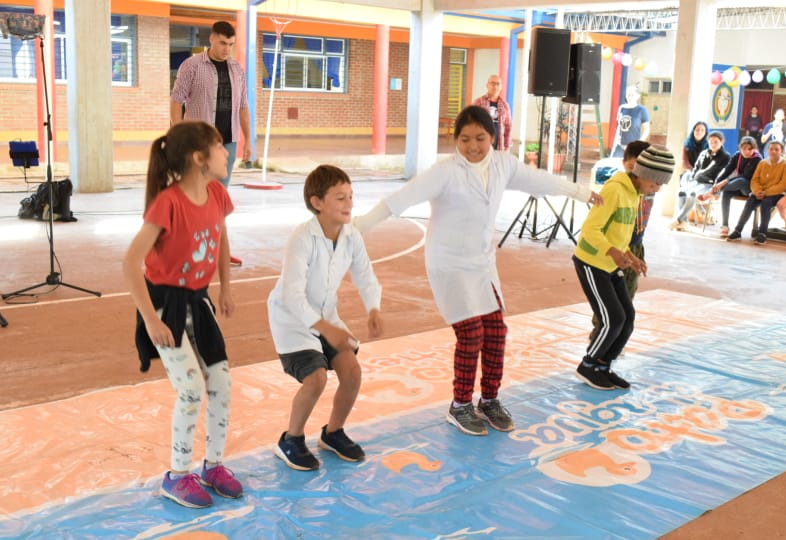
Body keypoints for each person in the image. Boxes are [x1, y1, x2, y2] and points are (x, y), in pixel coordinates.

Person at [354, 105, 603, 436]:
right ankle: (460, 405)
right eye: (465, 139)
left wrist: (581, 192)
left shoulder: (503, 165)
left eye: (480, 138)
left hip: (482, 264)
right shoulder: (445, 171)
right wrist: (360, 226)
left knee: (496, 333)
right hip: (449, 263)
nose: (473, 146)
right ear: (455, 139)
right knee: (471, 333)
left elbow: (540, 181)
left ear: (493, 138)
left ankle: (489, 400)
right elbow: (402, 197)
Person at [122, 121, 243, 509]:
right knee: (191, 389)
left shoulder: (218, 194)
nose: (226, 152)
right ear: (199, 158)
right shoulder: (168, 203)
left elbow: (221, 239)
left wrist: (224, 286)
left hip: (198, 301)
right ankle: (176, 476)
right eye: (220, 147)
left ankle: (214, 466)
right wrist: (152, 320)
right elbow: (130, 264)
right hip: (165, 306)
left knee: (221, 384)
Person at [269, 165, 383, 471]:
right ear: (317, 202)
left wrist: (373, 308)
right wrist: (324, 329)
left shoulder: (351, 235)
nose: (349, 204)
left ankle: (333, 433)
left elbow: (365, 275)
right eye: (340, 198)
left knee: (352, 372)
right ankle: (290, 440)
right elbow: (293, 296)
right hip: (291, 319)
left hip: (326, 317)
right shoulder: (302, 237)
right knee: (316, 377)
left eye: (350, 196)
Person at [574, 145, 676, 390]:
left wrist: (630, 255)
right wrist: (612, 252)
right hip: (591, 262)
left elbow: (619, 234)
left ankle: (603, 366)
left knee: (627, 318)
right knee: (612, 319)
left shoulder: (635, 193)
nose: (657, 189)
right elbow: (590, 230)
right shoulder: (615, 190)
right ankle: (587, 365)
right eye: (655, 183)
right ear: (641, 173)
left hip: (611, 263)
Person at [171, 20, 251, 267]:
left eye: (231, 44)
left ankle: (219, 251)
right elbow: (176, 101)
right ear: (212, 39)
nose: (227, 49)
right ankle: (187, 248)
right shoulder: (192, 66)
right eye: (223, 43)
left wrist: (248, 139)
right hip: (198, 145)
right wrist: (178, 136)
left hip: (226, 145)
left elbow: (243, 106)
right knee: (194, 198)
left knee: (219, 200)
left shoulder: (237, 69)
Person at [589, 140, 651, 341]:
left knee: (627, 291)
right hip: (614, 248)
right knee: (608, 295)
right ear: (625, 163)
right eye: (632, 166)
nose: (637, 173)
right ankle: (601, 329)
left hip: (635, 244)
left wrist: (634, 253)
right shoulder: (617, 188)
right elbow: (594, 227)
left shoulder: (648, 188)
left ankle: (617, 330)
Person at [726, 140, 786, 244]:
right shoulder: (762, 163)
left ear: (782, 151)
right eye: (771, 149)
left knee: (766, 203)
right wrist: (757, 191)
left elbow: (783, 185)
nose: (773, 151)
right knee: (750, 203)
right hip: (760, 192)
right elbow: (755, 179)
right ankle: (738, 230)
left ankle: (762, 234)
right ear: (767, 150)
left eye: (776, 149)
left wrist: (766, 192)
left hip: (777, 194)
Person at [701, 136, 762, 237]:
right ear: (739, 148)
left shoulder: (757, 158)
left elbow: (745, 175)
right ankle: (725, 226)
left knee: (741, 181)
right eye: (743, 148)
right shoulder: (738, 155)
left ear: (754, 149)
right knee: (726, 193)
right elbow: (727, 169)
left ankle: (711, 192)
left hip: (750, 188)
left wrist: (724, 183)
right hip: (735, 186)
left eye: (749, 149)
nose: (746, 151)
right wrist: (717, 182)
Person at [671, 131, 731, 230]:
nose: (713, 144)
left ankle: (678, 219)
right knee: (681, 192)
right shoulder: (704, 153)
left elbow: (720, 173)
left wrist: (713, 187)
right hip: (697, 181)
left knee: (692, 194)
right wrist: (693, 178)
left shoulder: (726, 157)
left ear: (722, 142)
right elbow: (696, 168)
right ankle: (684, 221)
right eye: (711, 142)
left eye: (716, 142)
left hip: (710, 184)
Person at [472, 74, 512, 152]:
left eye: (498, 84)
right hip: (481, 145)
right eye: (493, 83)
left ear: (501, 87)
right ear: (487, 85)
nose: (495, 86)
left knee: (497, 164)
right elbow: (471, 123)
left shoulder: (505, 105)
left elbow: (508, 127)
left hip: (499, 146)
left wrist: (507, 146)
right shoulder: (478, 102)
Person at [610, 85, 650, 158]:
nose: (630, 97)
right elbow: (619, 127)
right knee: (613, 166)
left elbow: (646, 129)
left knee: (631, 168)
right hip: (619, 146)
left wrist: (638, 143)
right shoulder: (621, 108)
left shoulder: (642, 110)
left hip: (633, 148)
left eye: (632, 95)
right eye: (628, 94)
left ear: (638, 96)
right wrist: (615, 142)